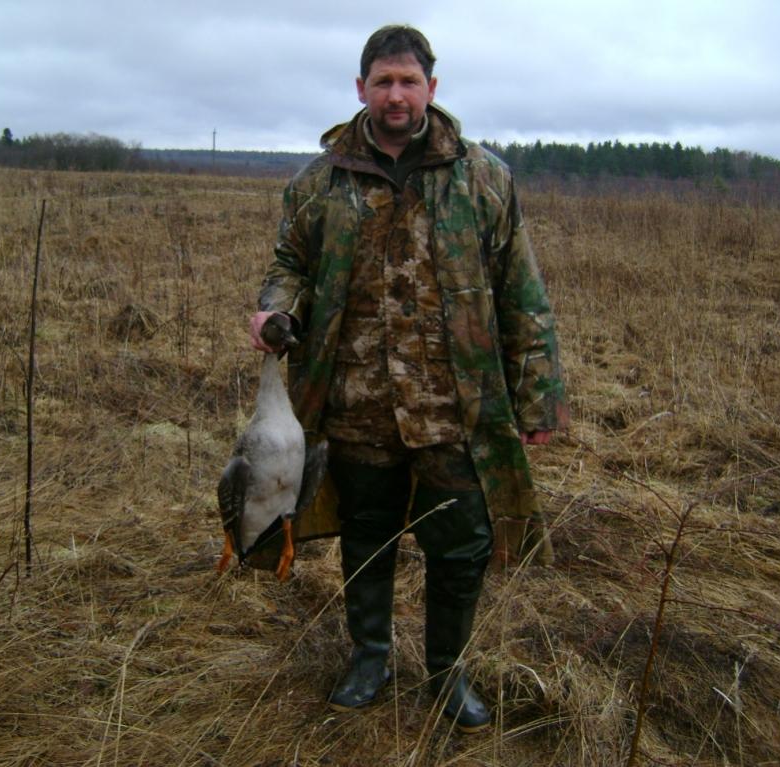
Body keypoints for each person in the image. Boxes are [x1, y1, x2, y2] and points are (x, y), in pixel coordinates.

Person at [249, 25, 568, 732]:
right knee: (368, 536)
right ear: (360, 88)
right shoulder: (318, 183)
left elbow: (522, 293)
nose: (396, 95)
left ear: (432, 87)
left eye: (409, 81)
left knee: (462, 546)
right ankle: (370, 658)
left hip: (456, 408)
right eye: (383, 82)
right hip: (356, 402)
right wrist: (276, 310)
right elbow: (288, 265)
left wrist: (538, 394)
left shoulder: (484, 178)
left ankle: (447, 671)